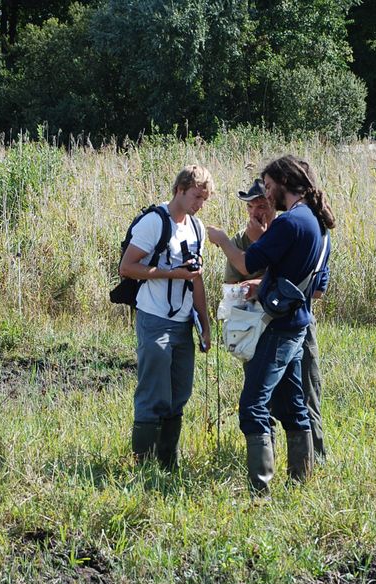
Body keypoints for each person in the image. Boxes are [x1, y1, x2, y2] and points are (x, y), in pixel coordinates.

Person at [208, 155, 335, 491]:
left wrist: (221, 240)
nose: (266, 193)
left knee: (253, 404)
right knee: (295, 405)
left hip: (277, 327)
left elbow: (248, 262)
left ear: (283, 181)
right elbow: (315, 285)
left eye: (267, 186)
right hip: (298, 325)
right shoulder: (318, 224)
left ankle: (260, 490)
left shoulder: (289, 223)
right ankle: (300, 483)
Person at [224, 178, 329, 459]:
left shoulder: (294, 229)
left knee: (305, 394)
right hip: (256, 327)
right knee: (262, 397)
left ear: (275, 204)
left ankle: (314, 460)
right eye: (251, 206)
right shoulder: (239, 241)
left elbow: (317, 289)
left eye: (263, 203)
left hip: (297, 322)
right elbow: (230, 290)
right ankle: (269, 456)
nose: (256, 211)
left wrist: (263, 280)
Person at [120, 165, 214, 468]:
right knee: (152, 391)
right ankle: (144, 465)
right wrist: (169, 273)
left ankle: (168, 463)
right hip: (155, 317)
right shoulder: (154, 222)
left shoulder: (196, 227)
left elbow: (196, 279)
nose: (199, 204)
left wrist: (205, 325)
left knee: (179, 391)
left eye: (204, 199)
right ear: (180, 189)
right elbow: (127, 267)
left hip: (184, 322)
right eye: (196, 197)